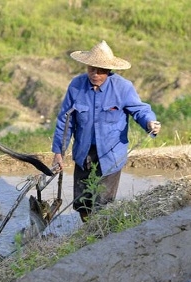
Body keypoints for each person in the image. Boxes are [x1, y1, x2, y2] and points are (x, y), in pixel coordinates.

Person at [51, 40, 161, 222]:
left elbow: (140, 110)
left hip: (111, 153)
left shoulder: (123, 87)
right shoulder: (76, 86)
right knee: (82, 201)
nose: (95, 74)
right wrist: (58, 152)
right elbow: (65, 120)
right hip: (83, 151)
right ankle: (87, 230)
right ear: (87, 66)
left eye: (101, 70)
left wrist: (149, 122)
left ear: (109, 70)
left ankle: (99, 236)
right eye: (92, 69)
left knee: (103, 202)